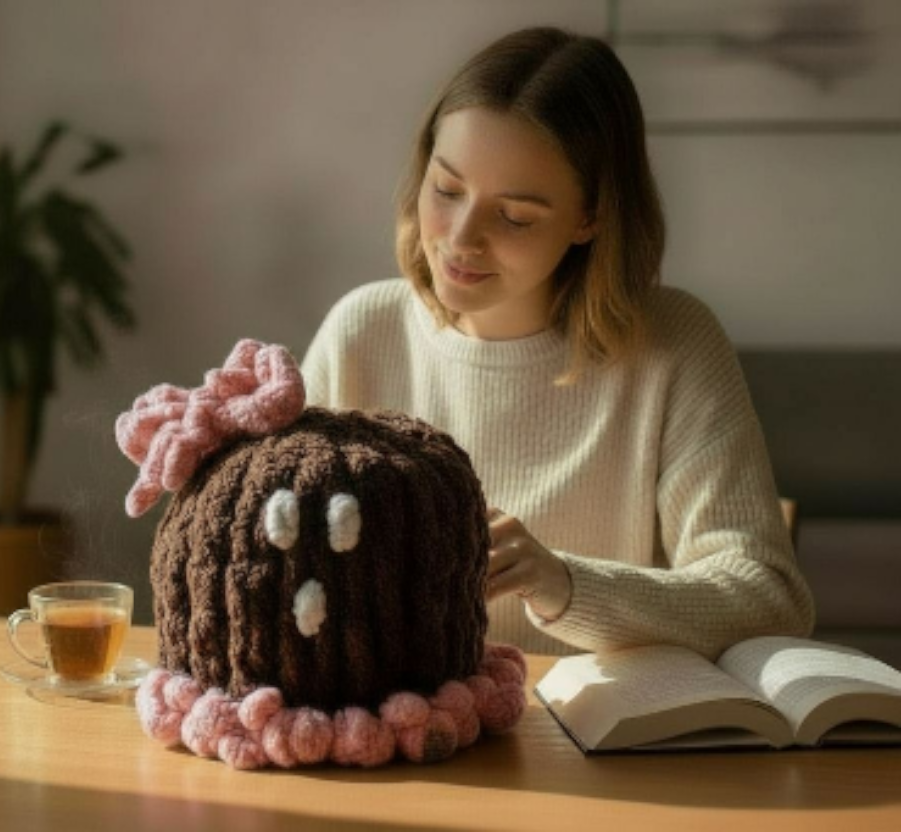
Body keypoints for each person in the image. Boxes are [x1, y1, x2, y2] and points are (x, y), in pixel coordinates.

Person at [300, 26, 814, 659]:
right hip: (399, 740)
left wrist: (565, 585)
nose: (461, 239)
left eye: (514, 216)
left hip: (601, 746)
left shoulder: (674, 345)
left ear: (590, 216)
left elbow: (770, 598)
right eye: (447, 189)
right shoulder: (362, 333)